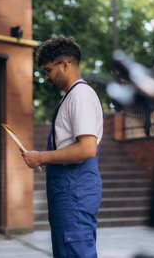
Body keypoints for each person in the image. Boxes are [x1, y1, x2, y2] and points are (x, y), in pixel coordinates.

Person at [22, 36, 103, 258]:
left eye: (48, 70)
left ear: (65, 64)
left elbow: (87, 149)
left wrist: (41, 157)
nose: (46, 77)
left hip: (74, 190)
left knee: (75, 251)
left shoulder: (81, 96)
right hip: (69, 190)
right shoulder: (71, 97)